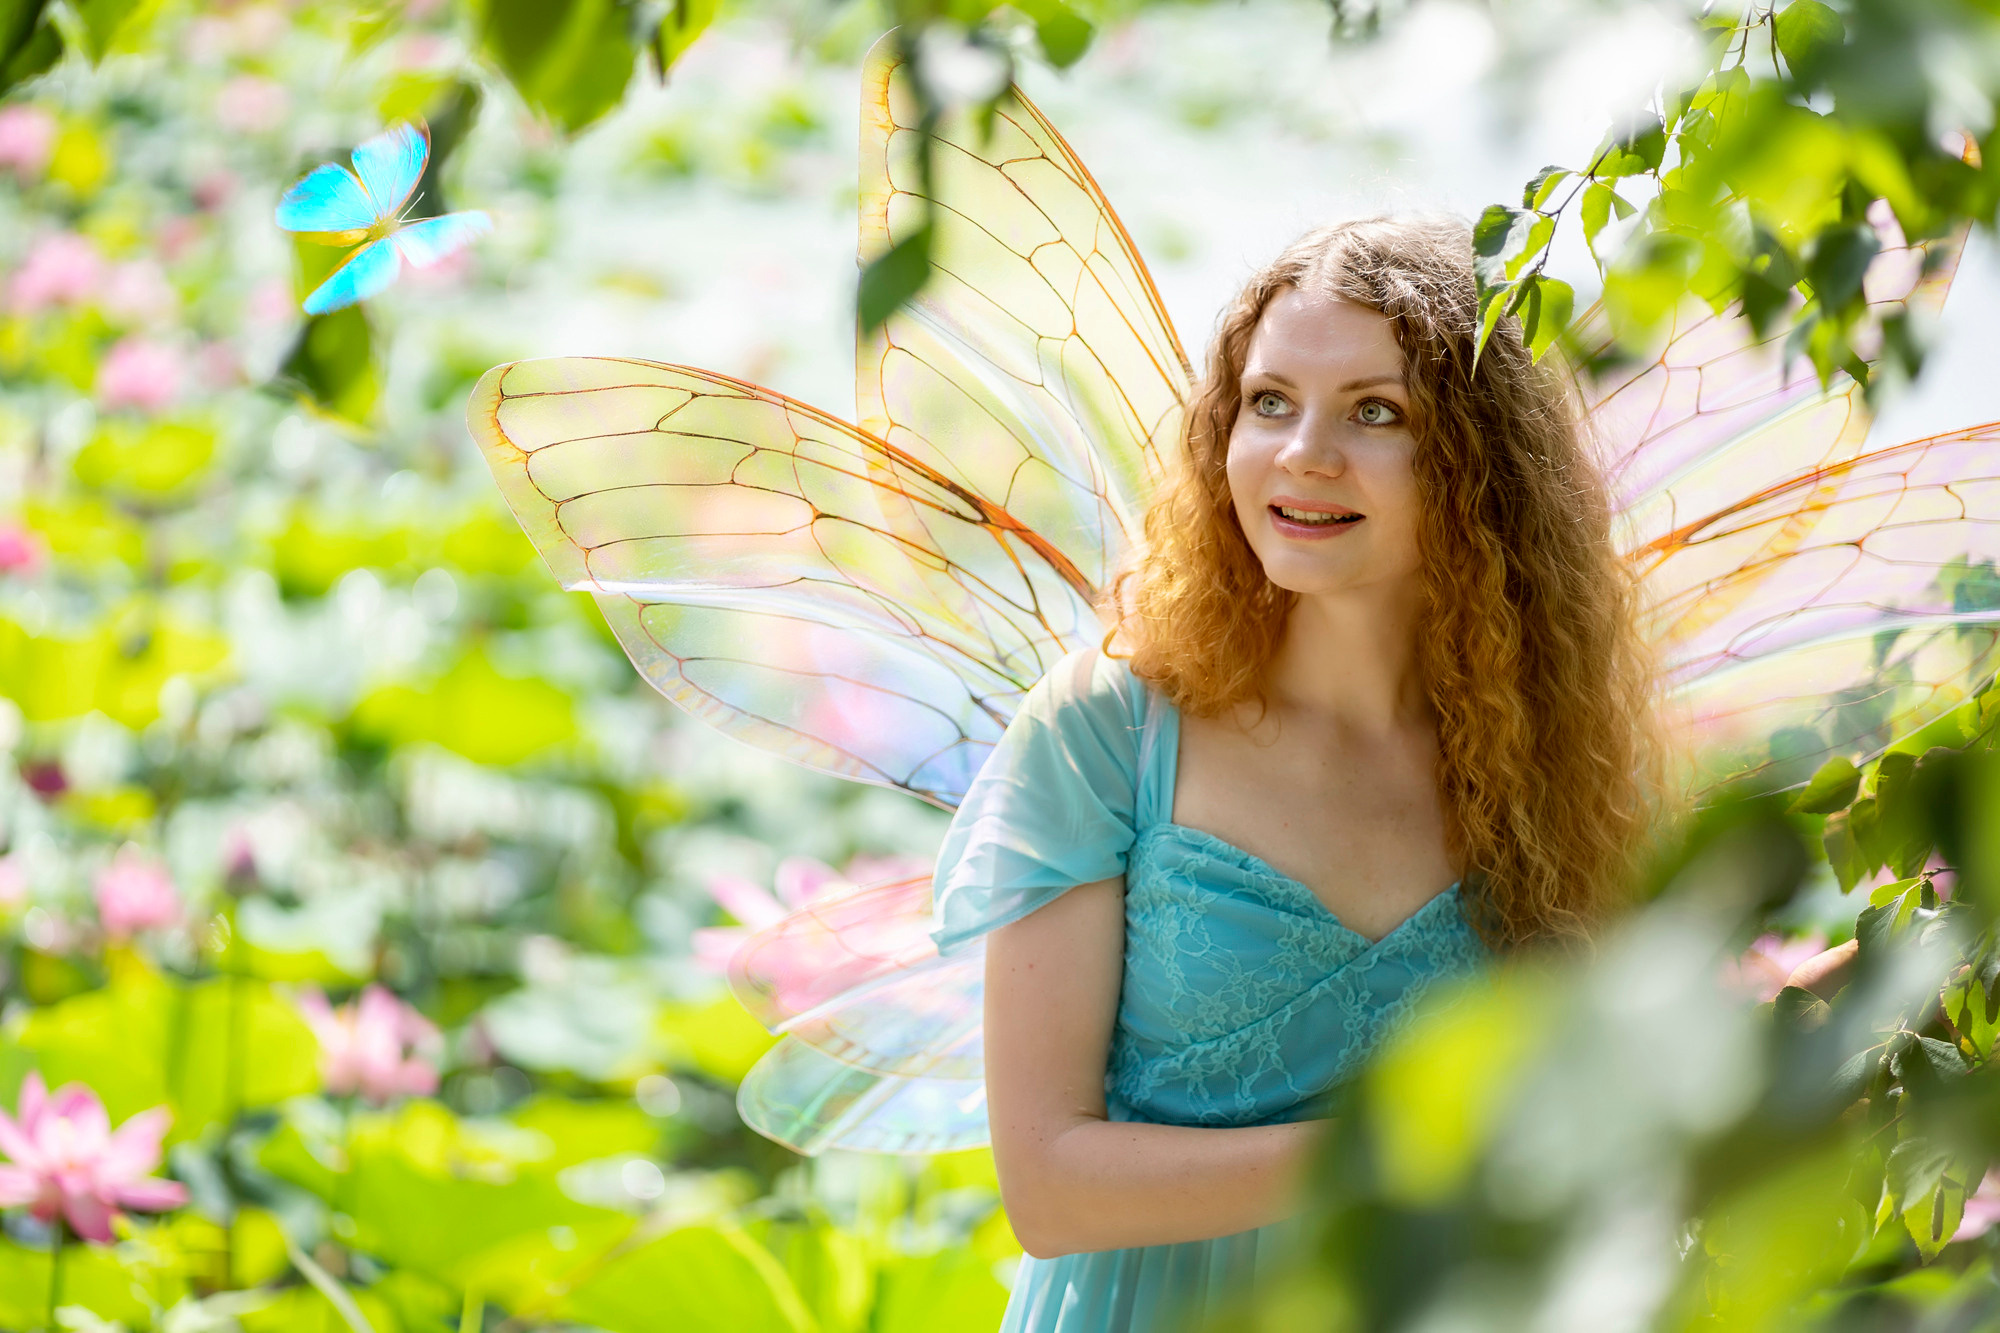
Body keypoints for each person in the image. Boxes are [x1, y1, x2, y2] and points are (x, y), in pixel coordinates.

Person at [927, 217, 1661, 1332]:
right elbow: (1047, 1187)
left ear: (1481, 467)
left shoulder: (1557, 756)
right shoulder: (1109, 729)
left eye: (1377, 412)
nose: (1302, 453)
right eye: (1267, 402)